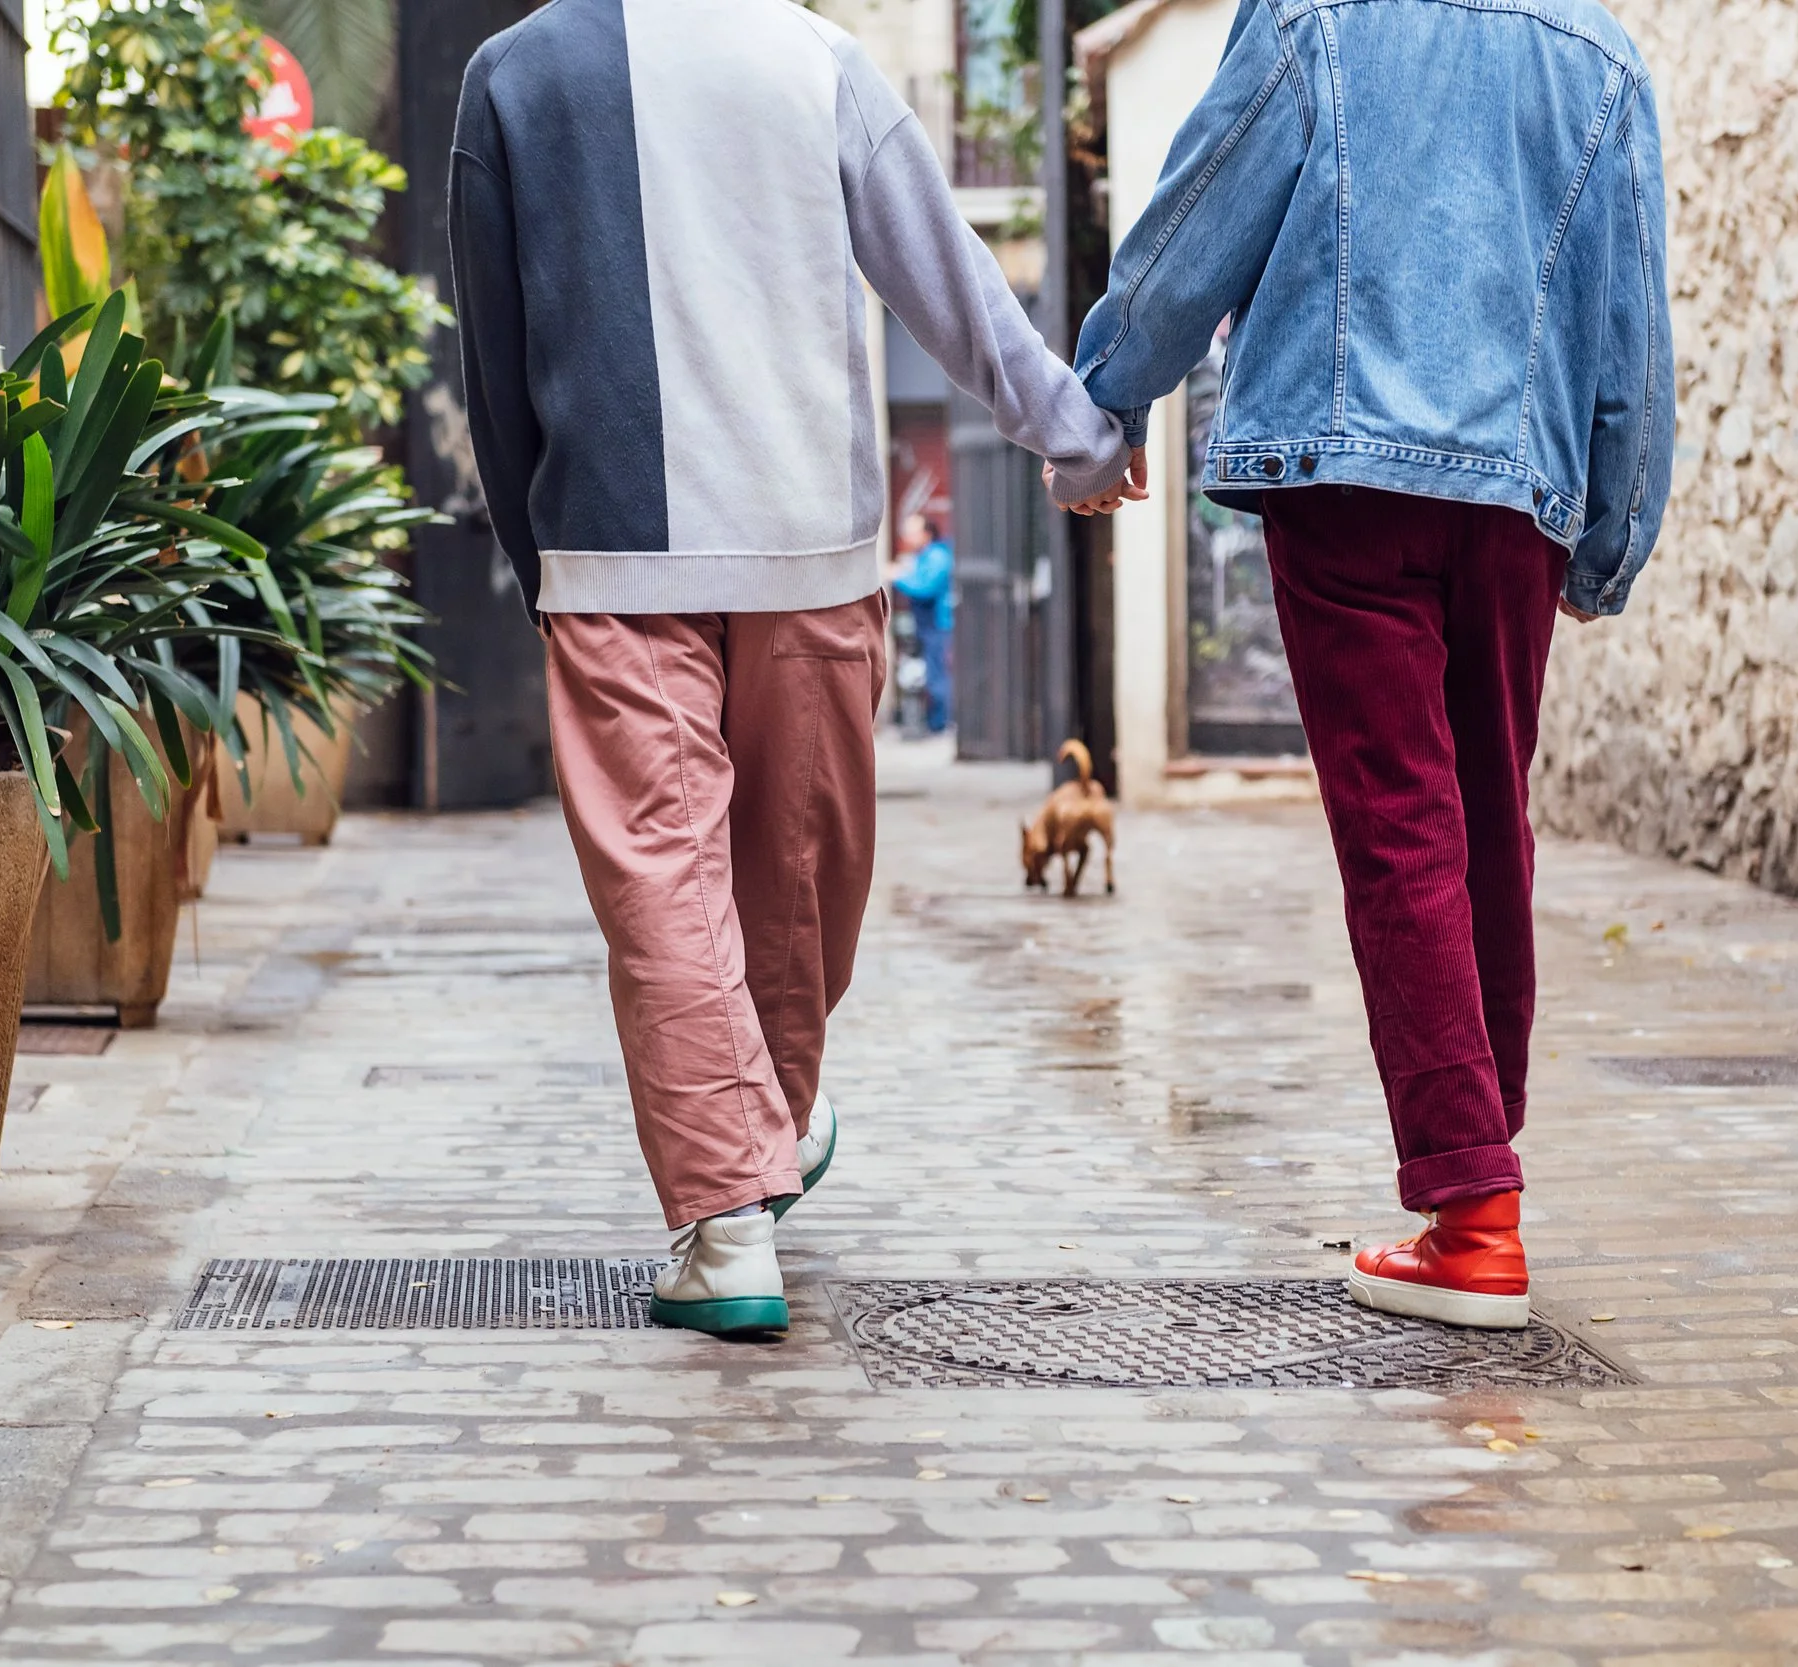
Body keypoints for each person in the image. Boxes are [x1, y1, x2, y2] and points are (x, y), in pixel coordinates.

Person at [449, 0, 1143, 1336]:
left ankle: (730, 1208)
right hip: (809, 545)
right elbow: (946, 272)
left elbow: (490, 354)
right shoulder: (816, 59)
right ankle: (743, 1178)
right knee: (797, 870)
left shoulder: (511, 77)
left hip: (611, 549)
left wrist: (537, 550)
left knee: (669, 877)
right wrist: (1072, 430)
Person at [1059, 0, 1673, 1328]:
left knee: (1403, 820)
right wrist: (1610, 536)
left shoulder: (1313, 13)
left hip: (1342, 475)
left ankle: (1473, 1207)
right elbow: (1631, 325)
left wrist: (1104, 395)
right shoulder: (1600, 52)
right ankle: (1477, 1184)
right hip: (1519, 494)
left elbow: (1202, 211)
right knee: (1485, 822)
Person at [889, 514, 955, 734]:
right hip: (928, 626)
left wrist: (897, 577)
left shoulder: (937, 556)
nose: (907, 536)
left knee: (938, 674)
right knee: (933, 673)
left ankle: (942, 723)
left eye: (912, 531)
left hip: (939, 625)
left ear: (926, 533)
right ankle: (937, 721)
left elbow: (924, 587)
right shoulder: (923, 556)